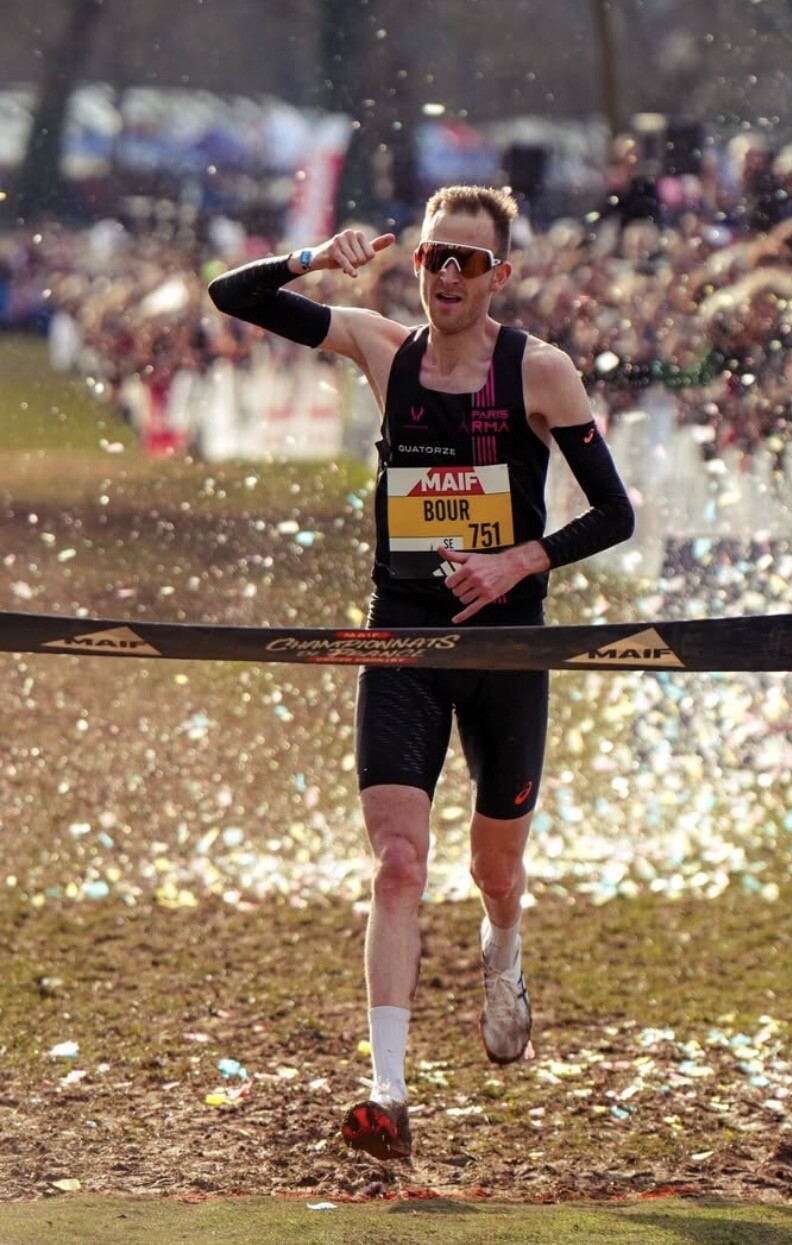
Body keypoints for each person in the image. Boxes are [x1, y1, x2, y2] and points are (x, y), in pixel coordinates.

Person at [208, 185, 634, 1162]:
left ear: (498, 276)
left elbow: (614, 514)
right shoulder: (379, 346)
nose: (446, 273)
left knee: (494, 867)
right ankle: (388, 1091)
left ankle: (502, 951)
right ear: (415, 265)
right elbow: (232, 296)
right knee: (398, 862)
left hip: (505, 645)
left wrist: (518, 560)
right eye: (434, 255)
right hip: (400, 636)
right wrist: (313, 259)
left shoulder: (540, 371)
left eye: (466, 261)